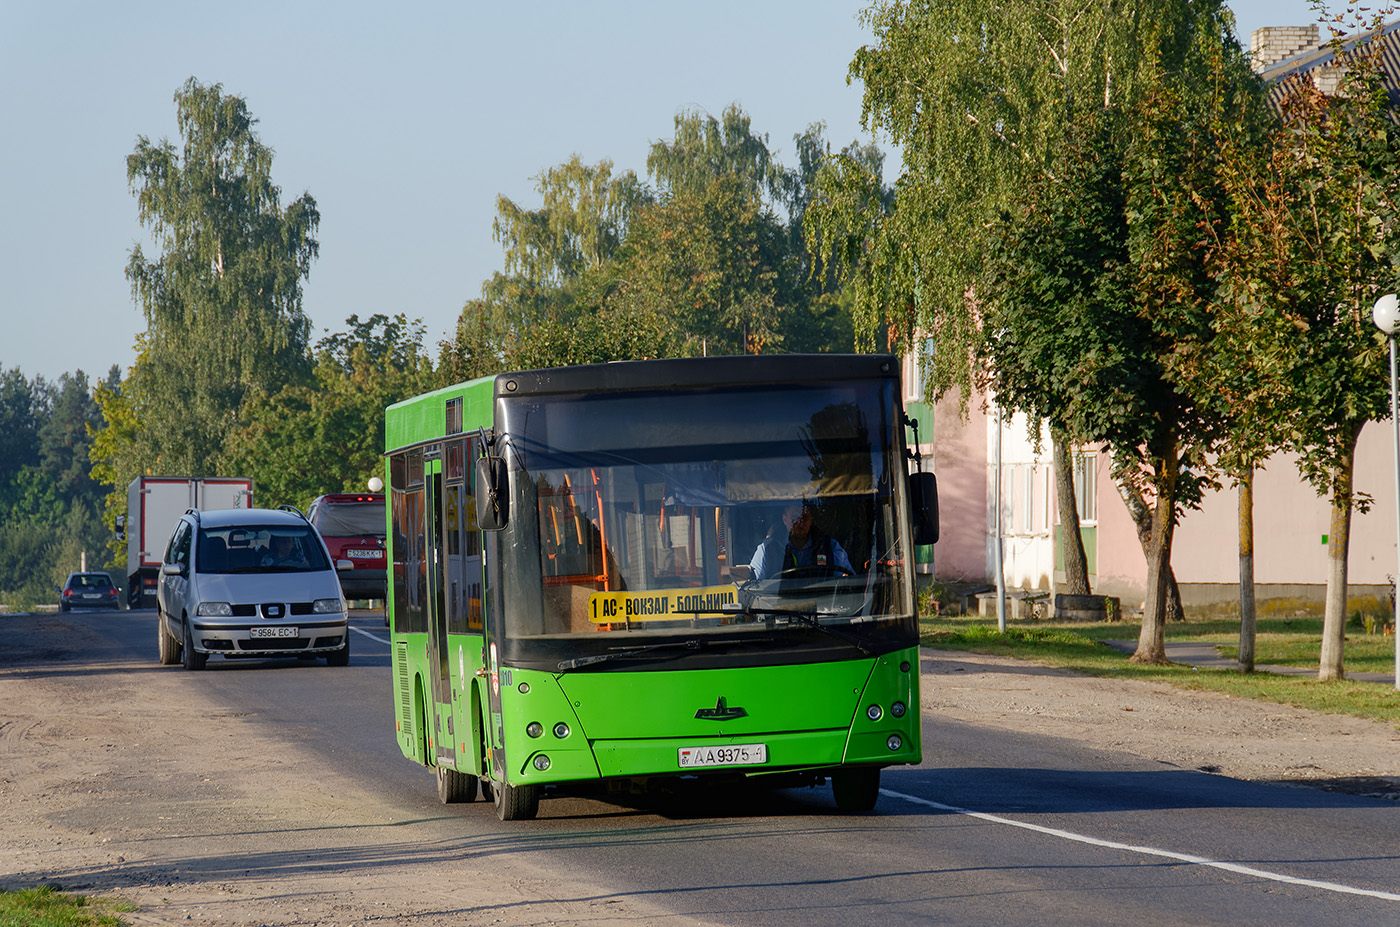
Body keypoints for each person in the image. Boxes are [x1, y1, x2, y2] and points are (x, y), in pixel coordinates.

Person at [748, 502, 854, 580]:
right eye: (795, 518)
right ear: (785, 520)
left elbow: (848, 579)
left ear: (811, 520)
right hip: (777, 608)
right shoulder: (767, 549)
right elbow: (752, 580)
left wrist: (846, 580)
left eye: (804, 518)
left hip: (823, 607)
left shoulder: (830, 546)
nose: (800, 523)